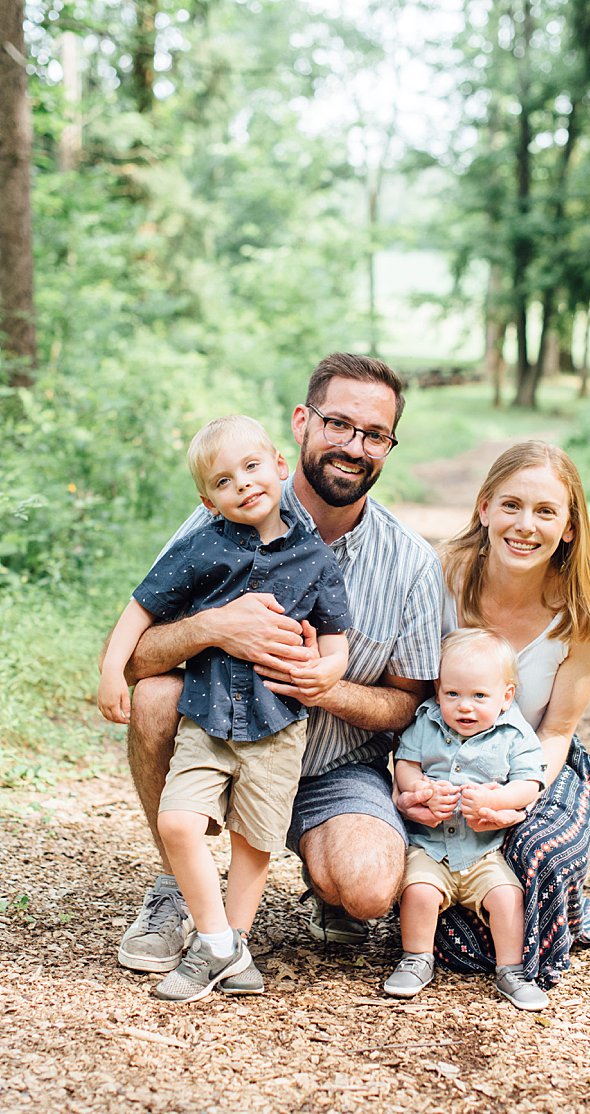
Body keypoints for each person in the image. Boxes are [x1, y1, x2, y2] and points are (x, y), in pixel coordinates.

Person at [113, 354, 444, 992]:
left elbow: (409, 704)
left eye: (374, 435)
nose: (354, 446)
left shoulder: (410, 564)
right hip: (222, 732)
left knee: (371, 891)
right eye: (339, 424)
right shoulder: (220, 519)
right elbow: (134, 656)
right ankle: (184, 891)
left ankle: (326, 880)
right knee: (156, 697)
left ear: (389, 446)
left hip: (330, 765)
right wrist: (213, 626)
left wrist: (331, 688)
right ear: (301, 423)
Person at [99, 415, 352, 1001]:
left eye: (253, 467)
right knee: (178, 822)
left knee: (253, 841)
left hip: (277, 726)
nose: (242, 483)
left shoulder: (315, 558)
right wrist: (113, 669)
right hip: (208, 717)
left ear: (280, 468)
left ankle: (230, 948)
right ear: (208, 500)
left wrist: (327, 670)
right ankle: (216, 942)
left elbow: (336, 636)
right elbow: (140, 609)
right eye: (223, 480)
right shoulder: (201, 548)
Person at [427, 440, 590, 989]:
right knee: (434, 901)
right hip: (444, 756)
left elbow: (557, 730)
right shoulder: (441, 575)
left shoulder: (585, 614)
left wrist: (516, 796)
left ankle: (563, 901)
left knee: (533, 853)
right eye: (511, 505)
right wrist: (416, 786)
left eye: (546, 511)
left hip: (535, 759)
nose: (525, 525)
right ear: (484, 507)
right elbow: (410, 701)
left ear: (570, 528)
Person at [384, 628, 549, 1010]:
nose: (465, 707)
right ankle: (416, 959)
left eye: (479, 696)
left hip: (483, 852)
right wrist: (421, 789)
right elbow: (405, 765)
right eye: (453, 694)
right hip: (430, 846)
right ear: (438, 690)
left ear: (506, 697)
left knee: (507, 896)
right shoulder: (426, 721)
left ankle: (512, 970)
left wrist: (499, 799)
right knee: (419, 892)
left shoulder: (514, 733)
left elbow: (531, 782)